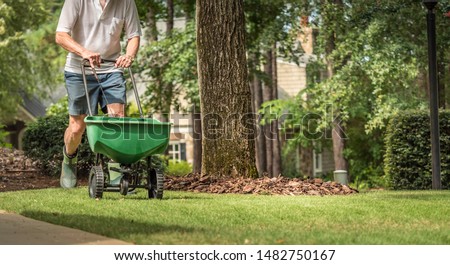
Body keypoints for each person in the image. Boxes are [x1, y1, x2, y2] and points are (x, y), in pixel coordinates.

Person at [55, 0, 142, 188]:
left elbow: (134, 35)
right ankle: (69, 158)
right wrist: (84, 51)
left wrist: (129, 55)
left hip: (111, 69)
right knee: (77, 127)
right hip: (79, 70)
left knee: (117, 119)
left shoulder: (126, 2)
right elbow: (61, 35)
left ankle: (116, 169)